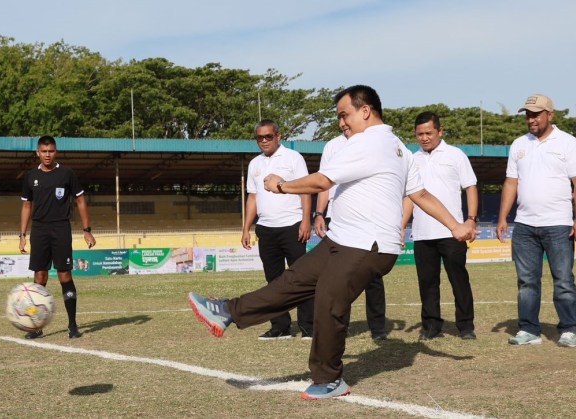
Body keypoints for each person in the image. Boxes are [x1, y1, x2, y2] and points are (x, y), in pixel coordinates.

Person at [187, 85, 476, 400]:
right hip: (343, 238)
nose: (341, 123)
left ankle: (329, 380)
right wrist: (456, 225)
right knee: (292, 282)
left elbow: (322, 180)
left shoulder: (370, 142)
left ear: (365, 110)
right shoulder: (398, 148)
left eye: (344, 114)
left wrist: (281, 186)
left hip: (369, 244)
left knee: (329, 301)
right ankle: (227, 312)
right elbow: (419, 194)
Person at [496, 94, 576, 348]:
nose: (531, 119)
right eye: (527, 114)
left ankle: (569, 328)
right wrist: (503, 217)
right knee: (526, 281)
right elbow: (511, 182)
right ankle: (529, 329)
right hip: (524, 225)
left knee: (563, 279)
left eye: (536, 113)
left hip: (558, 224)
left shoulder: (568, 143)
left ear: (550, 115)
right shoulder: (518, 145)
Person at [401, 111, 478, 341]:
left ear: (440, 132)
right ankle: (431, 326)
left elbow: (471, 187)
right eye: (419, 134)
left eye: (429, 133)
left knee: (459, 280)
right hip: (423, 233)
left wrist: (471, 219)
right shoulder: (411, 160)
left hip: (452, 232)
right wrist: (401, 226)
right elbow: (410, 197)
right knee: (427, 283)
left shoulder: (456, 155)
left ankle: (465, 326)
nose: (424, 138)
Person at [243, 119, 314, 340]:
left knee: (302, 278)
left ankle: (309, 327)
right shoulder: (254, 163)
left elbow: (306, 190)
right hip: (266, 228)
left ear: (278, 136)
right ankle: (280, 327)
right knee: (273, 281)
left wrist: (306, 221)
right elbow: (252, 197)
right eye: (259, 138)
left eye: (268, 136)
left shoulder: (294, 158)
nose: (264, 141)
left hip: (292, 226)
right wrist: (246, 227)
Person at [19, 135, 96, 339]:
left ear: (56, 152)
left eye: (51, 151)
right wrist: (22, 234)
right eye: (44, 151)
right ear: (37, 153)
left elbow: (80, 201)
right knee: (40, 277)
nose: (47, 155)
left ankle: (72, 325)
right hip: (39, 230)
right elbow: (27, 205)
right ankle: (36, 326)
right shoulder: (30, 177)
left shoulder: (66, 174)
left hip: (61, 229)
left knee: (65, 276)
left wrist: (87, 230)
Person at [314, 132, 387, 341]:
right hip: (337, 219)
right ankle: (339, 326)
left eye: (347, 115)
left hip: (368, 218)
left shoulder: (375, 142)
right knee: (338, 276)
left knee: (371, 275)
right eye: (341, 117)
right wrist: (319, 213)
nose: (344, 123)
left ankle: (378, 327)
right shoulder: (332, 146)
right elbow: (323, 183)